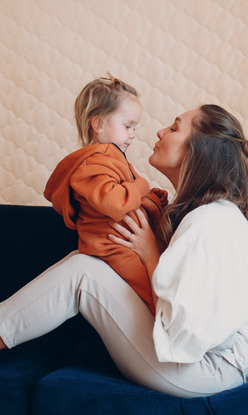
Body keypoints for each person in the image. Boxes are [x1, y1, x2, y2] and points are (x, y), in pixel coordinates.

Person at [0, 103, 248, 398]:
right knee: (85, 265)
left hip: (206, 370)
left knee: (83, 274)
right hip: (200, 361)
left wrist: (149, 254)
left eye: (175, 127)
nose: (159, 131)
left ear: (200, 150)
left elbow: (188, 330)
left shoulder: (210, 222)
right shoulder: (199, 214)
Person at [44, 74, 167, 314]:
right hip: (112, 247)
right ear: (98, 124)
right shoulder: (93, 163)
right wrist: (142, 186)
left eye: (135, 127)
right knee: (154, 291)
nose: (132, 134)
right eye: (127, 126)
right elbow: (115, 202)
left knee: (160, 279)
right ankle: (164, 324)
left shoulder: (111, 158)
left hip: (123, 242)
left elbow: (126, 197)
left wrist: (152, 199)